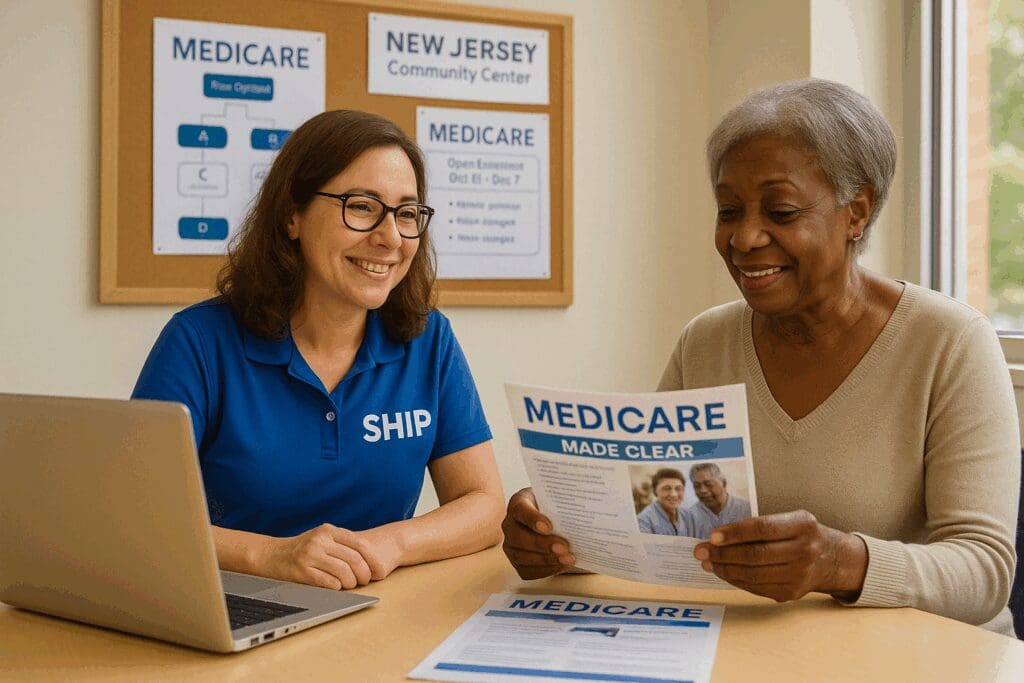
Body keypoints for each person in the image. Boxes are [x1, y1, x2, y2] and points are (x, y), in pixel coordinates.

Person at [499, 79, 1020, 635]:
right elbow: (658, 532)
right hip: (754, 650)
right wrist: (561, 537)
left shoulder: (951, 343)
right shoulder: (705, 343)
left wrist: (838, 562)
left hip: (921, 659)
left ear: (857, 213)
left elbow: (984, 573)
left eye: (782, 211)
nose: (744, 237)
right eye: (729, 210)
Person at [133, 110, 505, 592]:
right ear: (293, 215)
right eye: (362, 206)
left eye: (407, 213)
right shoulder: (199, 341)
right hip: (232, 605)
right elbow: (139, 519)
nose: (391, 238)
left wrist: (387, 545)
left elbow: (484, 505)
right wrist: (271, 555)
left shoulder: (428, 339)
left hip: (377, 607)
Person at [687, 463, 752, 538]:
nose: (703, 490)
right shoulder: (690, 515)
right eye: (697, 486)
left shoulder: (746, 508)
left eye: (709, 484)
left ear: (724, 484)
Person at [636, 468, 695, 536]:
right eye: (666, 488)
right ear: (655, 491)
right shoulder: (644, 520)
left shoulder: (688, 516)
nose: (673, 494)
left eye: (678, 488)